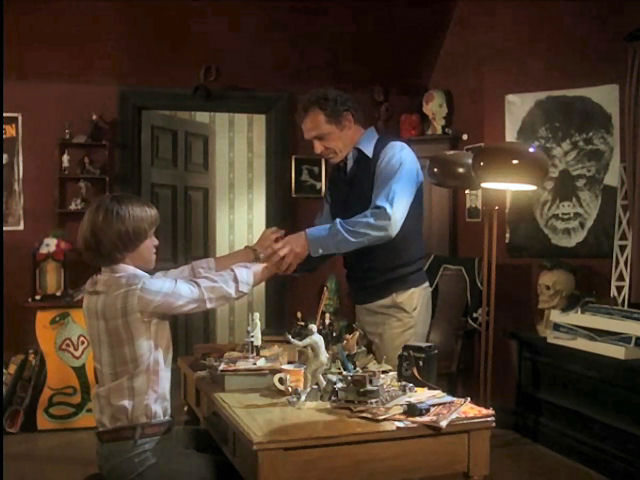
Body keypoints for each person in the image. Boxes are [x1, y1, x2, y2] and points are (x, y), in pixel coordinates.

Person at [77, 193, 284, 480]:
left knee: (225, 444)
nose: (156, 242)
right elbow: (204, 291)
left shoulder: (100, 286)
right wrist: (274, 265)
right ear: (126, 242)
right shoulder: (140, 292)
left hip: (127, 443)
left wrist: (253, 252)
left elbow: (188, 274)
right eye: (149, 235)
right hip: (141, 453)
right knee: (246, 470)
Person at [274, 88, 431, 369]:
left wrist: (307, 240)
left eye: (321, 137)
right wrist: (283, 258)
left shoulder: (395, 155)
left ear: (347, 121)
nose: (316, 150)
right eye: (311, 141)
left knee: (395, 392)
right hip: (363, 300)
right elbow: (324, 235)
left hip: (399, 302)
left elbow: (385, 222)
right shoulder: (339, 174)